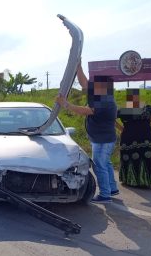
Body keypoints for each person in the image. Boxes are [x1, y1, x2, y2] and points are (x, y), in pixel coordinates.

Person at [56, 63, 118, 203]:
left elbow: (85, 111)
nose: (91, 86)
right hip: (103, 138)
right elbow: (84, 83)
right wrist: (78, 66)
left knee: (99, 166)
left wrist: (65, 104)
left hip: (103, 140)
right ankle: (112, 188)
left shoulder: (105, 101)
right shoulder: (102, 94)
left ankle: (105, 195)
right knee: (106, 164)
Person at [116, 89, 151, 188]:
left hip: (128, 138)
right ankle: (145, 181)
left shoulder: (123, 111)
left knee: (129, 158)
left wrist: (121, 128)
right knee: (145, 158)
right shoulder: (147, 108)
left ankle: (130, 180)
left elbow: (111, 118)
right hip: (145, 138)